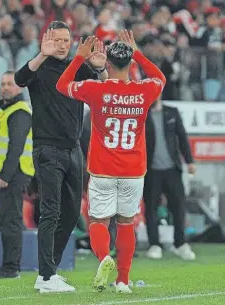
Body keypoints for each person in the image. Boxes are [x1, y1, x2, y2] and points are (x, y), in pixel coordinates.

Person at [56, 30, 166, 294]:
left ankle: (104, 257)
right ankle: (123, 282)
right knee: (126, 222)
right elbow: (160, 77)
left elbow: (61, 85)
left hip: (103, 170)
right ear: (130, 64)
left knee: (98, 221)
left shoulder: (96, 89)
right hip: (133, 171)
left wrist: (80, 58)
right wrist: (137, 52)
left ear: (107, 64)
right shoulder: (144, 91)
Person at [14, 21, 108, 293]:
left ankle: (48, 272)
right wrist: (41, 55)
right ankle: (45, 276)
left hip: (74, 149)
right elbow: (20, 79)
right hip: (48, 148)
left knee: (71, 213)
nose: (63, 45)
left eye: (66, 40)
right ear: (46, 41)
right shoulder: (39, 67)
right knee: (51, 211)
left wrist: (100, 68)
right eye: (57, 40)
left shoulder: (78, 67)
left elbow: (106, 91)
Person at [0, 71, 34, 279]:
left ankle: (11, 267)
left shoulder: (19, 112)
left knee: (11, 221)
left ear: (20, 87)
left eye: (9, 84)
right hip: (3, 176)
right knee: (6, 220)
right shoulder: (7, 110)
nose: (5, 87)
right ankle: (9, 266)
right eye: (2, 84)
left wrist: (3, 176)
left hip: (13, 175)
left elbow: (16, 148)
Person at [143, 93, 196, 261]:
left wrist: (189, 161)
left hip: (173, 169)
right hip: (151, 170)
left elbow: (182, 137)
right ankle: (154, 245)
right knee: (151, 208)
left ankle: (180, 244)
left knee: (178, 207)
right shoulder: (141, 115)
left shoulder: (172, 112)